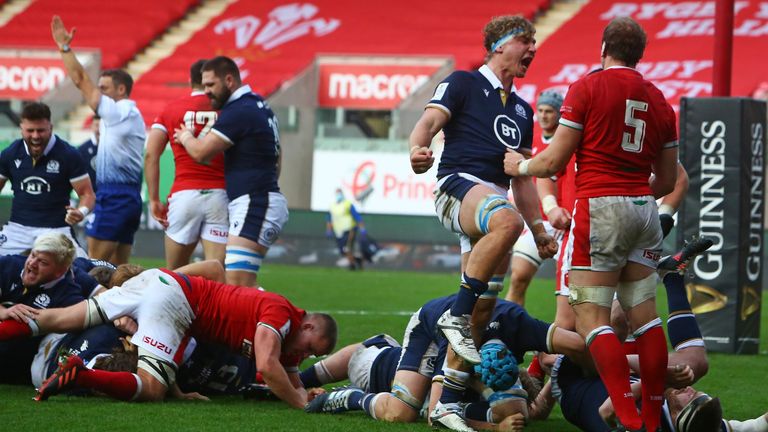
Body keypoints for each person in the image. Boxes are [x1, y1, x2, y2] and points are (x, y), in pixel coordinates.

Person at [505, 17, 678, 432]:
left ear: (603, 47)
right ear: (641, 54)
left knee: (590, 317)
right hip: (644, 208)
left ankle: (627, 415)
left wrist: (520, 164)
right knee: (647, 319)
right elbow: (669, 181)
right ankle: (652, 416)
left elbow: (554, 160)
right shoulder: (658, 99)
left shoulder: (587, 87)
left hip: (600, 205)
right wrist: (636, 197)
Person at [409, 15, 557, 431]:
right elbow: (429, 122)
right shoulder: (462, 82)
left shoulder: (525, 111)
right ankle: (453, 315)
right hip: (458, 188)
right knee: (506, 224)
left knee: (483, 314)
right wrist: (417, 148)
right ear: (499, 46)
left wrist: (540, 228)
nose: (533, 49)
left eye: (535, 43)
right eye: (526, 41)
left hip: (490, 204)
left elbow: (522, 178)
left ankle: (447, 404)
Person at [0, 260, 337, 408]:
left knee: (55, 319)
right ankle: (83, 376)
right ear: (306, 324)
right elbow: (266, 364)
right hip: (174, 300)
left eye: (313, 355)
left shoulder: (291, 343)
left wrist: (303, 390)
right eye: (311, 347)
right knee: (150, 389)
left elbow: (288, 374)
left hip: (156, 286)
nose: (306, 354)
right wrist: (298, 404)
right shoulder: (280, 314)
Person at [173, 56, 287, 288]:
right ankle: (282, 322)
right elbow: (278, 155)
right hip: (259, 199)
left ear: (229, 80)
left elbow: (202, 153)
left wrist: (185, 136)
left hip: (256, 203)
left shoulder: (239, 111)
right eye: (203, 86)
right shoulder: (258, 104)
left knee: (238, 282)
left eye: (211, 85)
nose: (206, 92)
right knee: (235, 283)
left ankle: (289, 323)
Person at [51, 16, 145, 265]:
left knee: (93, 267)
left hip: (115, 195)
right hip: (127, 195)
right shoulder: (126, 114)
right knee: (120, 270)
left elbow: (81, 80)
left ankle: (86, 305)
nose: (98, 92)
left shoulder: (120, 111)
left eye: (104, 88)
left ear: (121, 90)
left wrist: (64, 48)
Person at [145, 59, 228, 269]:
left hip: (184, 195)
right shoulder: (227, 110)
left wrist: (154, 198)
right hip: (220, 194)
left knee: (175, 275)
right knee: (217, 271)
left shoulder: (171, 109)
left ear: (190, 79)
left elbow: (151, 154)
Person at [0, 103, 94, 258]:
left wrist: (81, 212)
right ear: (21, 128)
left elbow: (87, 195)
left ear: (50, 127)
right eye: (30, 130)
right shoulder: (10, 154)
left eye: (41, 130)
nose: (36, 136)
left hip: (56, 230)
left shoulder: (69, 155)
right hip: (17, 230)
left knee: (83, 270)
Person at [505, 90, 568, 307]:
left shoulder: (567, 141)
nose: (543, 115)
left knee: (572, 289)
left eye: (549, 111)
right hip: (538, 221)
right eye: (540, 110)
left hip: (564, 221)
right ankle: (509, 330)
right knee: (518, 277)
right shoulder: (529, 140)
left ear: (559, 114)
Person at [0, 233, 85, 383]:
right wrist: (4, 311)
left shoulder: (69, 298)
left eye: (43, 262)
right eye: (32, 255)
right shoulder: (8, 265)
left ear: (60, 271)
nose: (32, 263)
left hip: (16, 372)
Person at [326, 188, 365, 270]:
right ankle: (357, 260)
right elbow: (329, 219)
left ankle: (352, 265)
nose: (338, 196)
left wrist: (362, 228)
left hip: (349, 229)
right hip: (338, 231)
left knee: (347, 248)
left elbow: (357, 217)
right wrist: (329, 230)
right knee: (342, 250)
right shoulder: (332, 206)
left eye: (339, 193)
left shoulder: (348, 204)